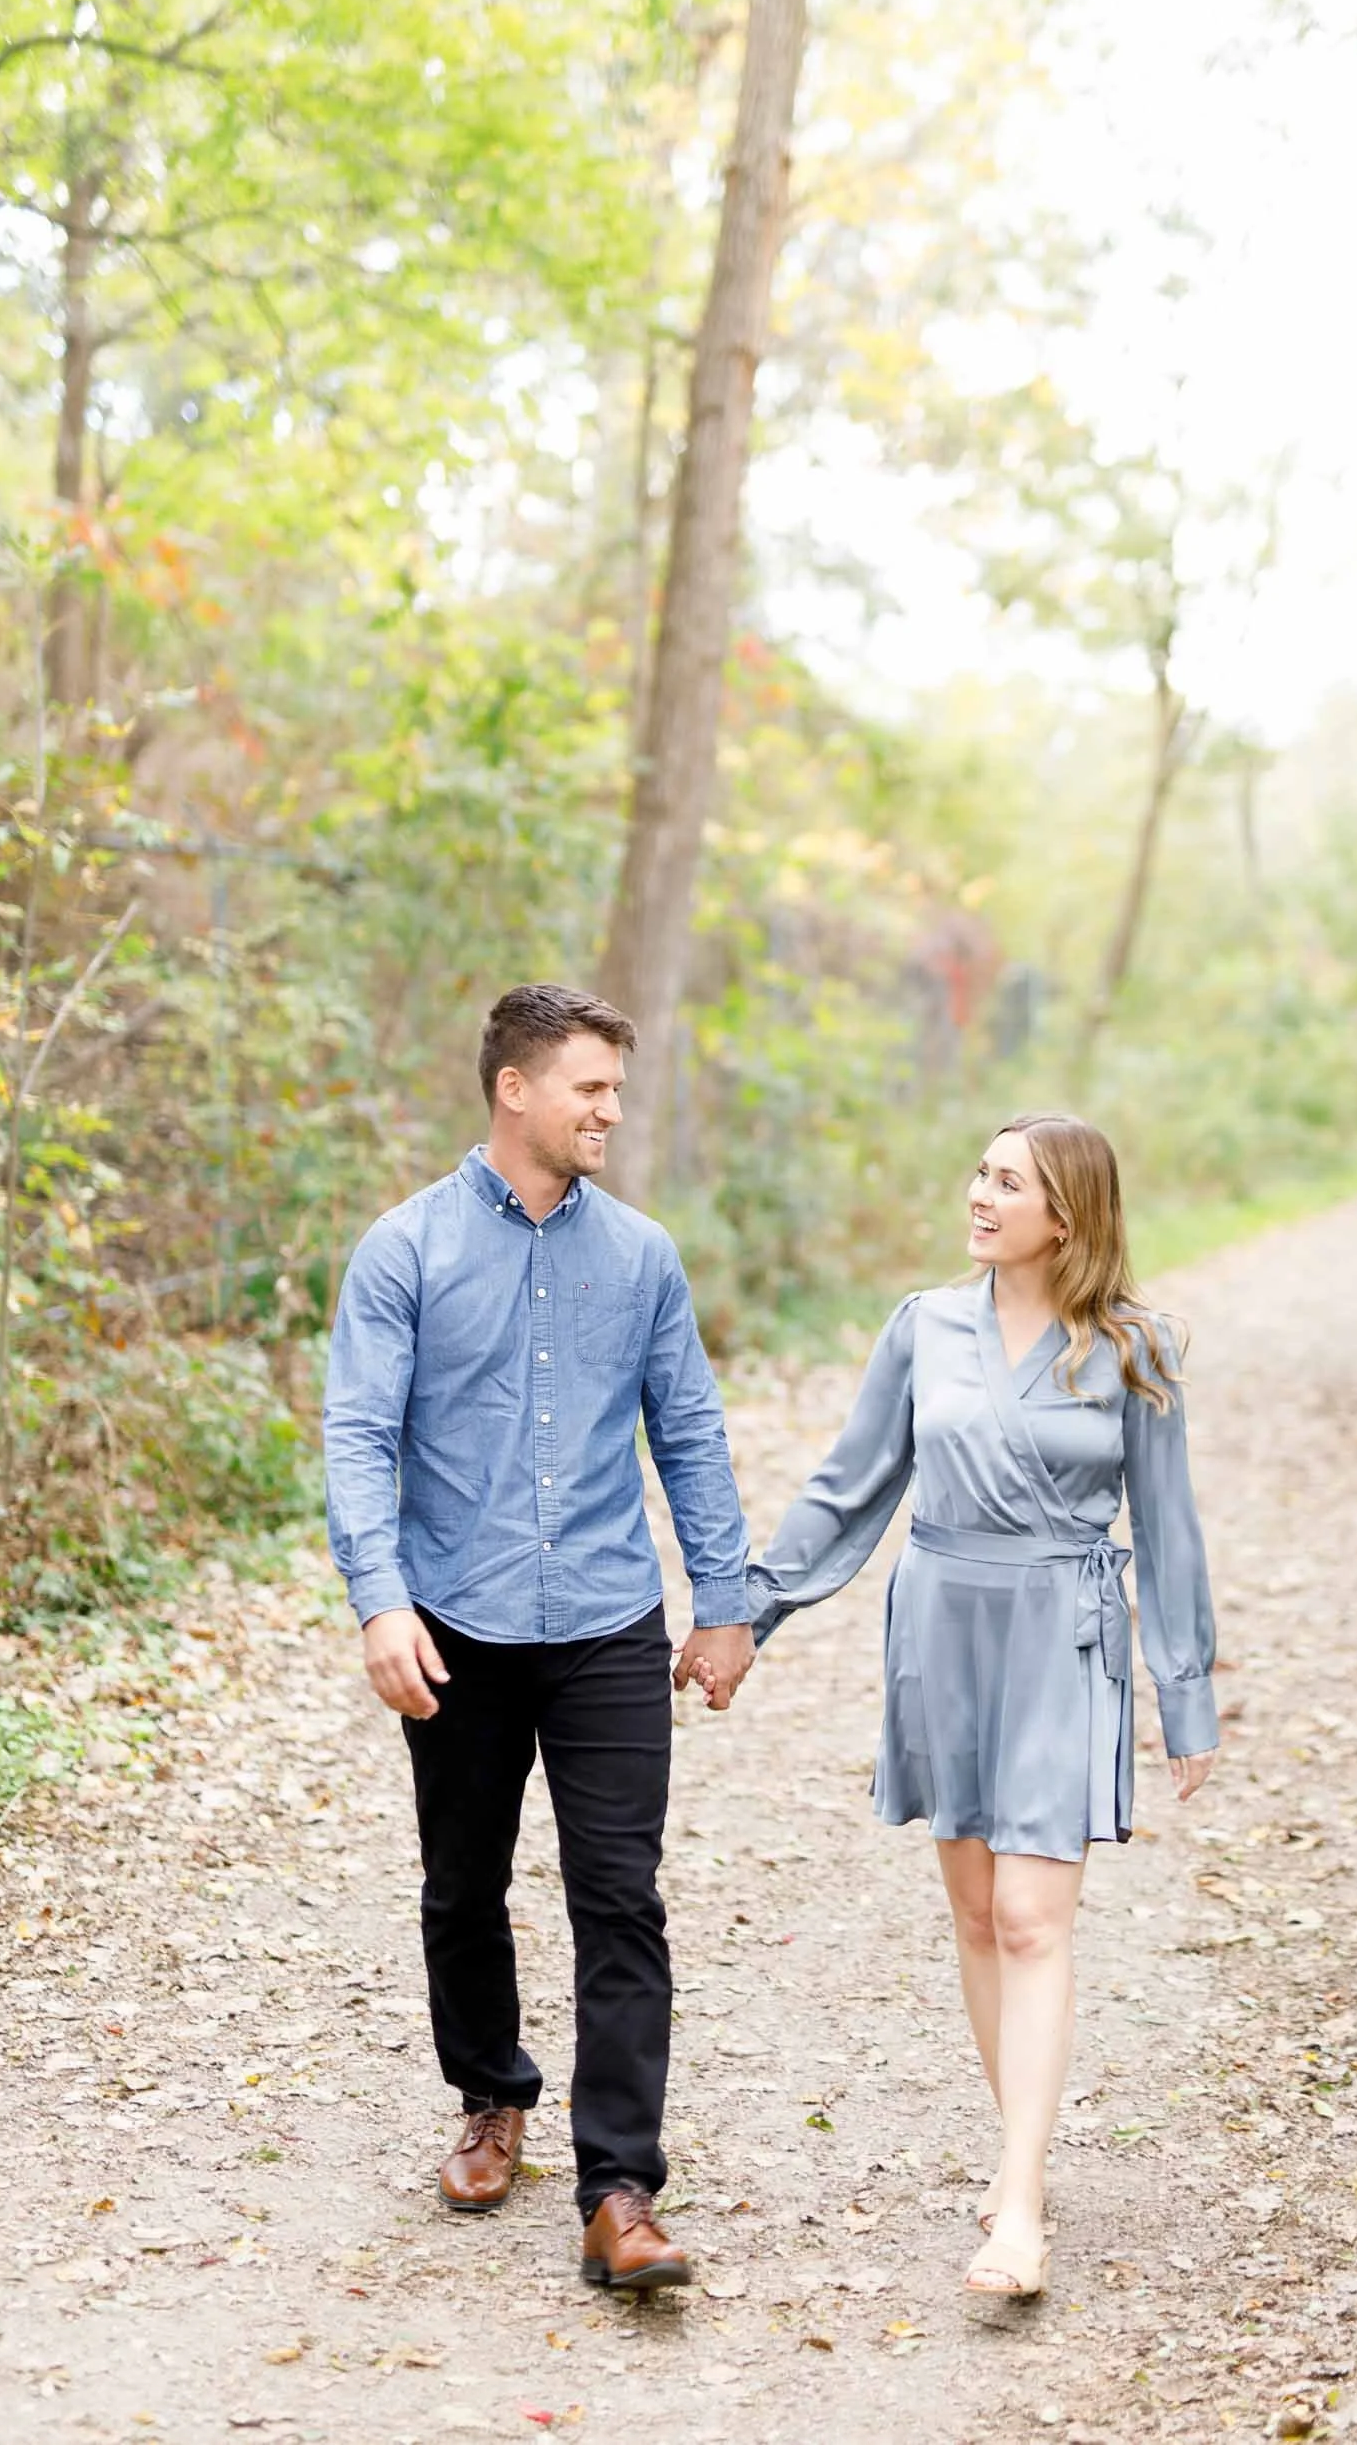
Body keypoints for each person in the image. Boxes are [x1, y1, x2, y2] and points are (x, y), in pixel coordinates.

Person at [323, 983, 755, 2290]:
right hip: (455, 1621)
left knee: (619, 1898)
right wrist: (378, 1596)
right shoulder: (404, 1251)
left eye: (615, 1089)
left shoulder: (641, 1258)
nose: (609, 1111)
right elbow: (358, 1433)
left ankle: (618, 2187)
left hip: (610, 1626)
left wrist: (724, 1600)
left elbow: (685, 1431)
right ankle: (490, 2093)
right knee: (463, 1884)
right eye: (589, 1088)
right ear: (515, 1090)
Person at [746, 1112, 1219, 2298]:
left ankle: (1016, 2209)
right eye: (977, 1171)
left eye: (1005, 1182)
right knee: (970, 1912)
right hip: (942, 1625)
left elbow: (1167, 1533)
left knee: (1029, 1917)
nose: (977, 1194)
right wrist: (746, 1610)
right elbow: (847, 1490)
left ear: (1067, 1213)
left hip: (1061, 1630)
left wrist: (1185, 1692)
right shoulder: (923, 1327)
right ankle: (1028, 2155)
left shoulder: (1135, 1348)